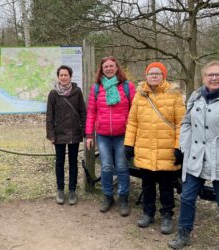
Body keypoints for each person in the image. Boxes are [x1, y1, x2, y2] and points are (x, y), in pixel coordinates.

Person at [169, 61, 219, 250]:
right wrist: (185, 146)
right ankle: (183, 234)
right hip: (195, 156)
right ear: (204, 77)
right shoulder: (196, 96)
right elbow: (186, 123)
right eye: (210, 74)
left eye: (218, 75)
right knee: (187, 197)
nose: (214, 78)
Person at [124, 62, 185, 234]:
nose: (154, 76)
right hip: (145, 148)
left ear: (163, 75)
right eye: (151, 73)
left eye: (158, 73)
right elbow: (133, 122)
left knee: (166, 186)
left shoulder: (174, 95)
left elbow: (182, 124)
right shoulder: (140, 95)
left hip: (166, 150)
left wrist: (178, 147)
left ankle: (167, 215)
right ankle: (148, 212)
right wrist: (129, 143)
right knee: (147, 185)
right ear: (146, 76)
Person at [85, 56, 135, 216]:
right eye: (105, 66)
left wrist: (135, 134)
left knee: (121, 166)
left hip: (123, 134)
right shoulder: (96, 88)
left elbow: (135, 112)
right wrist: (89, 135)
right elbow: (91, 112)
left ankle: (123, 197)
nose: (108, 69)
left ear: (117, 67)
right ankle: (108, 196)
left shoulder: (127, 87)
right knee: (106, 167)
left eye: (111, 66)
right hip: (103, 135)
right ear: (101, 69)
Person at [46, 65, 86, 205]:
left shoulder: (77, 92)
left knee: (73, 163)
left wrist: (85, 130)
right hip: (59, 134)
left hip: (74, 133)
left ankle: (73, 191)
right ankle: (60, 190)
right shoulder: (53, 94)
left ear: (70, 76)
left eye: (66, 75)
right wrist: (51, 134)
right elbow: (49, 116)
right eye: (61, 75)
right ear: (58, 77)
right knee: (59, 163)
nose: (63, 77)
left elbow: (83, 112)